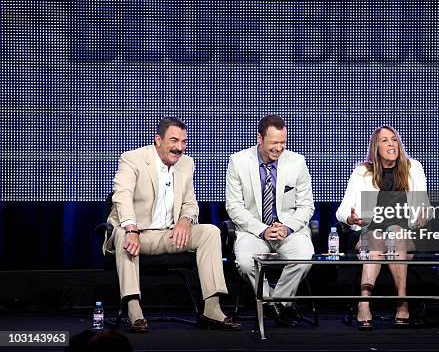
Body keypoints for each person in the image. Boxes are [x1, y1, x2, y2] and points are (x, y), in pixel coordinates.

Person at [103, 117, 240, 332]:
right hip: (139, 234)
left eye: (184, 142)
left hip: (170, 235)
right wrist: (131, 228)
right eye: (174, 140)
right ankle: (134, 309)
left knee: (210, 232)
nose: (179, 148)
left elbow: (190, 203)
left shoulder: (187, 163)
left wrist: (185, 221)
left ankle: (212, 309)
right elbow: (122, 196)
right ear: (158, 140)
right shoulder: (133, 158)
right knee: (122, 234)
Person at [336, 125, 430, 330]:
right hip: (369, 233)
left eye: (394, 139)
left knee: (395, 230)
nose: (391, 144)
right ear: (376, 147)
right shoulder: (362, 172)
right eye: (385, 140)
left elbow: (425, 207)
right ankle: (364, 303)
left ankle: (402, 302)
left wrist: (424, 216)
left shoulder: (413, 168)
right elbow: (342, 211)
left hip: (404, 235)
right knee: (376, 234)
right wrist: (351, 219)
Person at [225, 114, 315, 326]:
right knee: (246, 263)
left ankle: (277, 303)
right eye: (274, 143)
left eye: (283, 142)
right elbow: (234, 207)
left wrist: (288, 227)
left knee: (304, 256)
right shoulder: (238, 162)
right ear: (259, 138)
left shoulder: (297, 161)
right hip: (253, 230)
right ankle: (273, 303)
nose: (279, 148)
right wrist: (262, 230)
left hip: (288, 230)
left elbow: (306, 206)